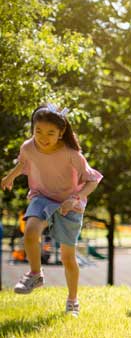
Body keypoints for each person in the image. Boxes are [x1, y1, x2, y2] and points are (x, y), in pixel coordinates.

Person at [1, 103, 103, 316]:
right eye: (38, 131)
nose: (43, 137)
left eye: (50, 133)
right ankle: (35, 274)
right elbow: (24, 162)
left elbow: (92, 180)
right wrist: (11, 176)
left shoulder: (72, 153)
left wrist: (76, 198)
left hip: (69, 203)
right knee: (30, 232)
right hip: (43, 196)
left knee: (67, 257)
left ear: (61, 132)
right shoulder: (28, 147)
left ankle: (72, 300)